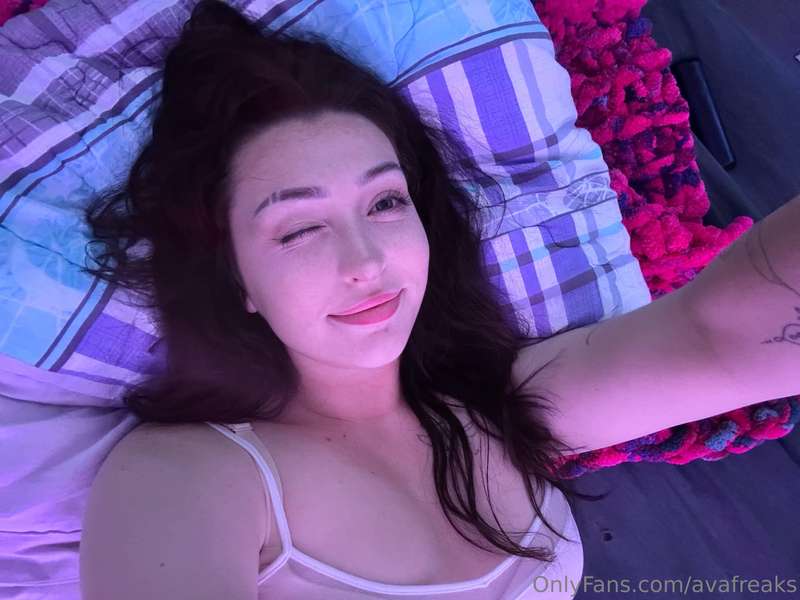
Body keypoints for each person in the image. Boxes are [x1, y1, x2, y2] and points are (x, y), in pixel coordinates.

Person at [78, 1, 800, 599]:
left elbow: (716, 337)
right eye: (299, 229)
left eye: (385, 202)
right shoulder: (186, 479)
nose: (366, 262)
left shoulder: (504, 402)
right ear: (235, 278)